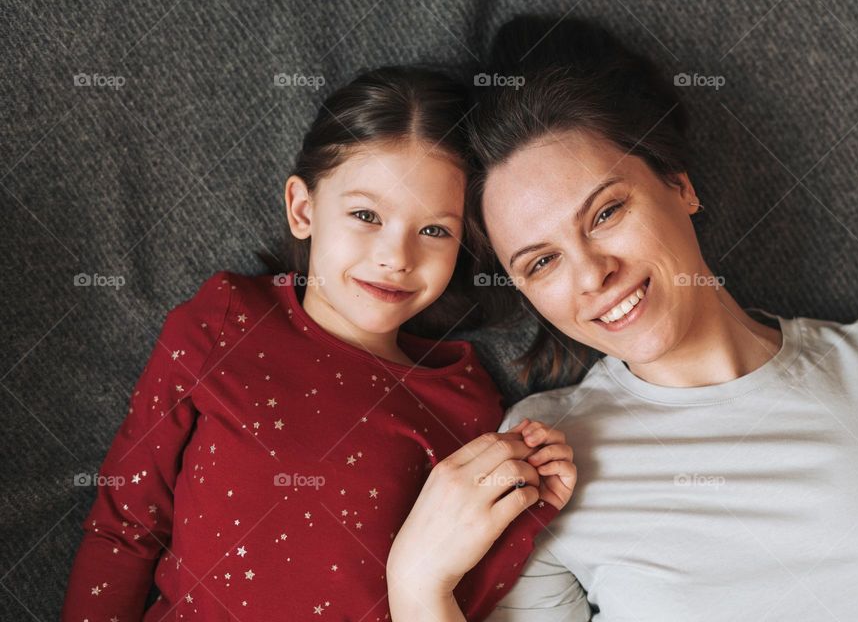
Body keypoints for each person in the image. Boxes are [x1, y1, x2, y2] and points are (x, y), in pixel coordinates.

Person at [391, 16, 858, 620]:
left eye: (606, 213)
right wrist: (416, 585)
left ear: (680, 185)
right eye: (543, 262)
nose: (591, 274)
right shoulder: (542, 455)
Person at [61, 65, 577, 621]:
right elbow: (124, 526)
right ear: (303, 210)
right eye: (365, 215)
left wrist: (530, 506)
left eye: (434, 230)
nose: (396, 256)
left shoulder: (463, 400)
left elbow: (449, 593)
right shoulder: (225, 322)